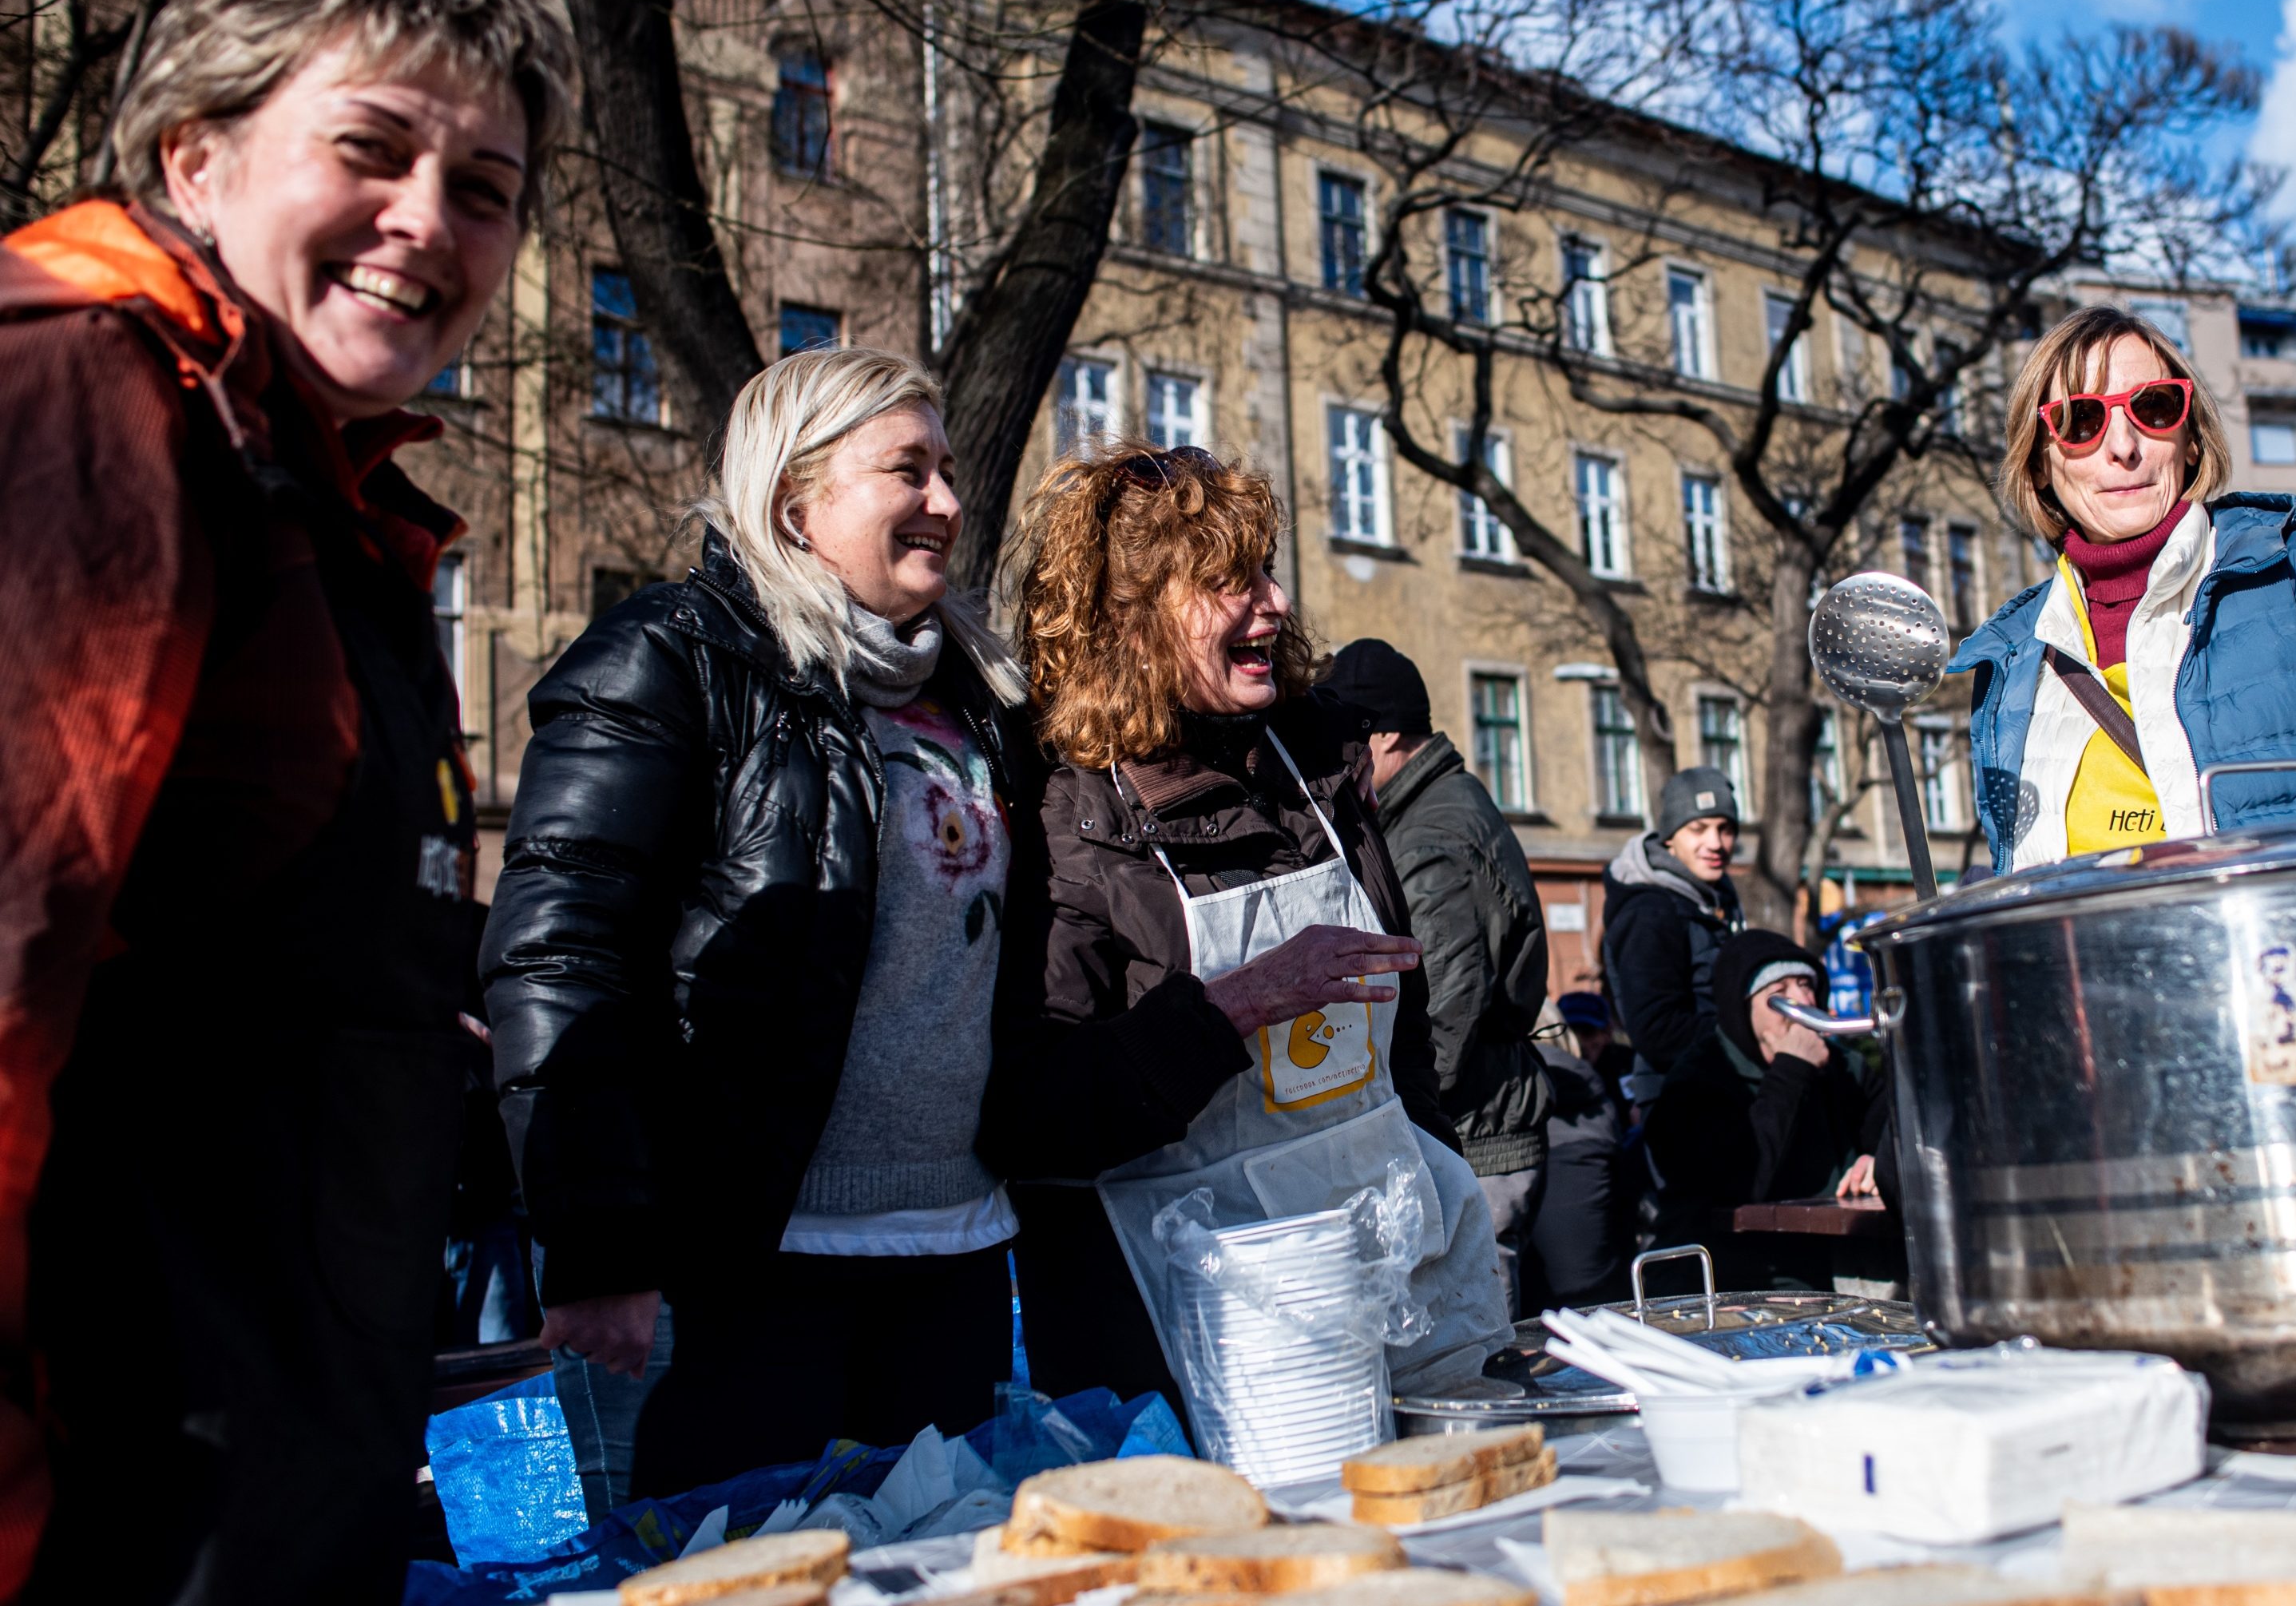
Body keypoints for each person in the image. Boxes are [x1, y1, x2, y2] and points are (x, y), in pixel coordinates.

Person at [481, 355, 1380, 1497]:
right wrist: (598, 1239)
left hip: (949, 1260)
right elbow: (561, 953)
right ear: (795, 501)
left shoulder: (975, 696)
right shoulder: (672, 659)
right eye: (909, 471)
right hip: (745, 1267)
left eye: (951, 471)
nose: (950, 503)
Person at [0, 0, 571, 1594]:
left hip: (265, 1480)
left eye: (483, 186)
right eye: (372, 148)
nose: (426, 223)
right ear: (196, 150)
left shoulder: (303, 478)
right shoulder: (89, 396)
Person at [999, 442, 1509, 1414]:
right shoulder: (1068, 809)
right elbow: (1033, 1115)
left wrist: (1439, 1195)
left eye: (1266, 569)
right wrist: (1236, 1005)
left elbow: (1401, 1061)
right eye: (1230, 580)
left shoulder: (1317, 767)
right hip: (1202, 1340)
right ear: (1133, 612)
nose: (1272, 603)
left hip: (1394, 1287)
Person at [1948, 305, 2296, 869]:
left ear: (2190, 437)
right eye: (2079, 421)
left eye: (2153, 408)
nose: (2123, 445)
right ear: (2040, 461)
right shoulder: (2010, 658)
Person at [1320, 639, 1552, 1308]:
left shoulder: (1425, 837)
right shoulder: (1451, 801)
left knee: (1472, 1370)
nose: (1336, 762)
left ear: (1386, 733)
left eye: (1348, 739)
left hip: (1472, 1142)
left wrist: (1387, 1127)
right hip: (1489, 1122)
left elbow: (1442, 1011)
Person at [1641, 934, 1886, 1291]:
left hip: (1836, 1267)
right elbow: (1741, 1180)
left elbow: (1891, 1123)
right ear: (1743, 1008)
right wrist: (1791, 1070)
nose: (1802, 1001)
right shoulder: (1700, 1078)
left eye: (1806, 985)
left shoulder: (1844, 1067)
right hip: (1731, 1278)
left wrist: (1878, 1159)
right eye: (1780, 990)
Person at [1600, 768, 1748, 1080]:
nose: (1716, 843)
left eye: (1725, 829)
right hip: (1681, 1098)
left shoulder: (1717, 900)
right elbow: (1656, 1031)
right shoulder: (1650, 910)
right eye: (1698, 829)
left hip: (1725, 1082)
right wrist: (1755, 1031)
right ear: (1669, 837)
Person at [1525, 993, 1629, 1309]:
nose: (1588, 1044)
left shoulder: (1498, 1097)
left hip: (1537, 1304)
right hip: (1600, 1296)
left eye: (1591, 1033)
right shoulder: (1598, 1098)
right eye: (1579, 1033)